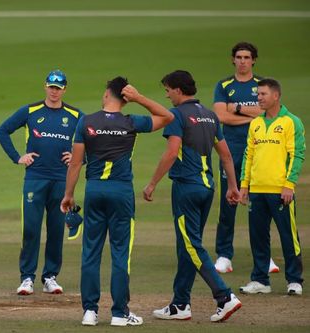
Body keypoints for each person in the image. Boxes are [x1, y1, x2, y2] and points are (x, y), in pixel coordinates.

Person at [60, 76, 174, 326]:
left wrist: (68, 195)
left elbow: (76, 163)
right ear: (125, 98)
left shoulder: (86, 122)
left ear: (106, 94)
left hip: (95, 191)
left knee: (91, 252)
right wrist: (140, 98)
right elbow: (168, 117)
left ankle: (89, 312)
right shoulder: (131, 122)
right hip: (121, 193)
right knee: (121, 253)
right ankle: (119, 314)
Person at [144, 70, 242, 322]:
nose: (167, 95)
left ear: (178, 90)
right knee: (187, 245)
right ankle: (180, 304)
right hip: (207, 187)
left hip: (186, 187)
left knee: (192, 245)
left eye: (167, 90)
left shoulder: (176, 114)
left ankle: (224, 296)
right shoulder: (210, 115)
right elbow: (226, 155)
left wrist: (152, 183)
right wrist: (232, 186)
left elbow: (171, 152)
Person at [0, 70, 82, 295]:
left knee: (55, 230)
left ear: (65, 89)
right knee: (31, 228)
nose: (54, 91)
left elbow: (94, 140)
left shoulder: (75, 115)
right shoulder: (31, 111)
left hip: (61, 180)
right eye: (51, 87)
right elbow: (2, 131)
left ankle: (50, 277)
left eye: (59, 87)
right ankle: (27, 278)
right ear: (45, 87)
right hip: (35, 179)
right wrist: (18, 157)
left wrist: (80, 159)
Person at [213, 42, 279, 274]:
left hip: (260, 149)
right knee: (229, 201)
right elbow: (221, 116)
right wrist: (254, 117)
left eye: (247, 57)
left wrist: (238, 109)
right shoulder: (224, 85)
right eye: (239, 57)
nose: (242, 61)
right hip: (231, 149)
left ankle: (265, 257)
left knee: (260, 203)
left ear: (253, 60)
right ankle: (224, 255)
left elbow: (271, 113)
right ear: (233, 60)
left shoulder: (262, 85)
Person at [239, 78, 305, 296]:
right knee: (258, 236)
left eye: (263, 94)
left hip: (280, 190)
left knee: (288, 236)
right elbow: (249, 156)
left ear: (276, 96)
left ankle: (294, 280)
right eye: (258, 94)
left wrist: (289, 185)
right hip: (256, 189)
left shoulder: (291, 122)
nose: (258, 98)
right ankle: (260, 280)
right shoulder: (256, 123)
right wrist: (244, 185)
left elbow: (297, 155)